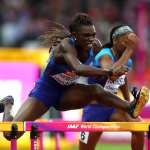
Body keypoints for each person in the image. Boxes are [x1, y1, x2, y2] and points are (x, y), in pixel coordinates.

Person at [0, 13, 149, 140]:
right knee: (10, 133)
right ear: (75, 35)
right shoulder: (65, 45)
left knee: (96, 90)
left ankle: (130, 107)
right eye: (86, 35)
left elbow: (108, 65)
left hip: (68, 92)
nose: (91, 39)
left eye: (93, 35)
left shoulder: (95, 45)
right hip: (45, 92)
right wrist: (109, 72)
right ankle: (7, 104)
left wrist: (124, 58)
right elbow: (78, 68)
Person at [79, 25, 146, 150]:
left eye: (130, 42)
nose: (128, 44)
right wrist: (130, 49)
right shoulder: (104, 54)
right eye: (126, 41)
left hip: (113, 106)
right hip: (94, 108)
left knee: (138, 126)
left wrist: (128, 102)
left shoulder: (128, 61)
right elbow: (112, 73)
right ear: (115, 41)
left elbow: (122, 80)